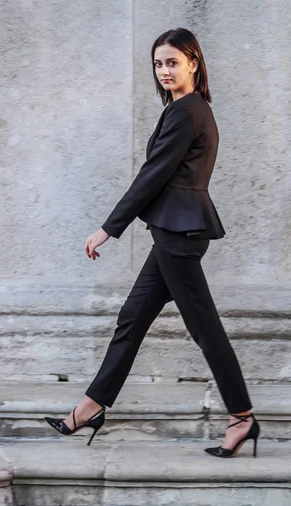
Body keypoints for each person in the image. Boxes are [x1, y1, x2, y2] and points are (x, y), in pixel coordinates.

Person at [45, 27, 260, 458]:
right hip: (174, 234)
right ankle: (91, 406)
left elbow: (153, 175)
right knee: (132, 317)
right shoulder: (189, 109)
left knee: (204, 328)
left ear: (193, 63)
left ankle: (242, 417)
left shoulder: (187, 111)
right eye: (158, 63)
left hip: (178, 237)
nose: (164, 70)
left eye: (172, 62)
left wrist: (109, 227)